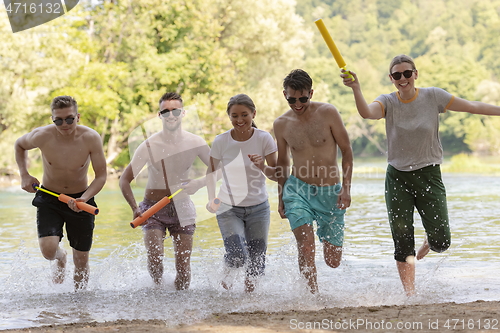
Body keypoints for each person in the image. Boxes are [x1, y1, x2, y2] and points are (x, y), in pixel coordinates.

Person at [341, 54, 500, 296]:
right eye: (397, 75)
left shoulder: (433, 96)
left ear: (415, 74)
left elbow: (471, 106)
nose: (402, 78)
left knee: (441, 241)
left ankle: (428, 242)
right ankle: (410, 295)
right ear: (391, 79)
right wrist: (356, 88)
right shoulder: (387, 102)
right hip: (398, 178)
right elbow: (367, 113)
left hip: (429, 175)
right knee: (402, 239)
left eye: (407, 73)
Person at [14, 95, 107, 290]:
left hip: (81, 199)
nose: (64, 124)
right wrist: (24, 175)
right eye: (58, 120)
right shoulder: (42, 135)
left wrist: (85, 198)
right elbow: (19, 145)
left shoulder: (91, 138)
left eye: (69, 119)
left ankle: (79, 304)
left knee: (81, 260)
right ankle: (61, 257)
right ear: (52, 119)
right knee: (48, 251)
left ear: (78, 116)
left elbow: (100, 176)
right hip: (49, 197)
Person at [120, 92, 210, 290]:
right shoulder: (149, 145)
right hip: (152, 209)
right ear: (159, 115)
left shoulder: (196, 142)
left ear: (183, 113)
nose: (171, 115)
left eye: (175, 111)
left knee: (184, 268)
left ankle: (180, 307)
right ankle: (158, 297)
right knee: (155, 260)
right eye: (165, 111)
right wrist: (135, 208)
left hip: (183, 207)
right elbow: (124, 180)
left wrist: (199, 183)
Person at [274, 69, 353, 294]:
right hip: (297, 190)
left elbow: (347, 151)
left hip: (331, 192)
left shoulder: (328, 112)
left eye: (302, 99)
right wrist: (280, 197)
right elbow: (282, 164)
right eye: (291, 99)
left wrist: (346, 189)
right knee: (306, 245)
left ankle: (315, 290)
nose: (297, 104)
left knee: (332, 260)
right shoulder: (281, 124)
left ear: (311, 92)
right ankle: (312, 298)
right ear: (284, 95)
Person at [206, 93, 277, 293]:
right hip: (228, 207)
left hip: (259, 208)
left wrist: (262, 166)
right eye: (234, 116)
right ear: (229, 116)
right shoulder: (221, 141)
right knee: (237, 255)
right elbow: (211, 172)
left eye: (244, 115)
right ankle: (225, 284)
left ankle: (249, 300)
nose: (239, 120)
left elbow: (277, 175)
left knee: (257, 259)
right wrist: (212, 198)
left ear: (253, 114)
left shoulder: (264, 138)